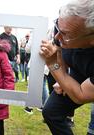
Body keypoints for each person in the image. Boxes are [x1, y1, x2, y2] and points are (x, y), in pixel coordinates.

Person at [39, 0, 94, 134]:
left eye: (66, 34)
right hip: (80, 72)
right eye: (58, 28)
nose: (58, 36)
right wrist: (64, 80)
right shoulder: (65, 31)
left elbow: (81, 95)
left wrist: (53, 65)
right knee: (51, 111)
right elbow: (59, 50)